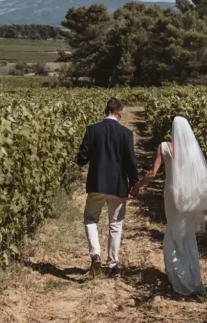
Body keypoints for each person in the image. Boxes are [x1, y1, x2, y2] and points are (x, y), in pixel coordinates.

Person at [131, 115, 207, 296]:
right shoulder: (192, 149)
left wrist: (138, 186)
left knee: (173, 230)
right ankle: (192, 277)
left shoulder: (164, 147)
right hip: (188, 193)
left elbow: (152, 174)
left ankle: (178, 277)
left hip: (171, 192)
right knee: (187, 232)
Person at [76, 98, 139, 278]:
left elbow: (82, 158)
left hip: (96, 183)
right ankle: (112, 264)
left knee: (90, 219)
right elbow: (130, 162)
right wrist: (134, 183)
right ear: (119, 113)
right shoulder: (126, 133)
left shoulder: (92, 130)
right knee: (115, 224)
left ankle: (95, 254)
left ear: (106, 111)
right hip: (118, 185)